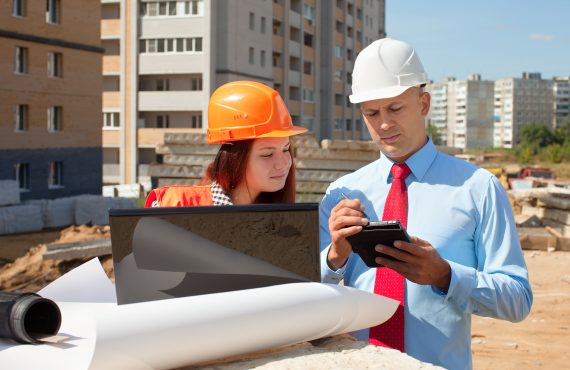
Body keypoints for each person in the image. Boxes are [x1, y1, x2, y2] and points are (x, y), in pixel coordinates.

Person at [319, 38, 532, 369]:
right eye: (371, 113)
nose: (384, 124)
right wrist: (334, 258)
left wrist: (446, 276)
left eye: (395, 108)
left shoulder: (478, 189)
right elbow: (307, 302)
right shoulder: (341, 195)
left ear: (424, 103)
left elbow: (517, 299)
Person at [145, 80, 307, 207]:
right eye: (267, 154)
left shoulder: (285, 221)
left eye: (286, 150)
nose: (283, 163)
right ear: (234, 159)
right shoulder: (173, 208)